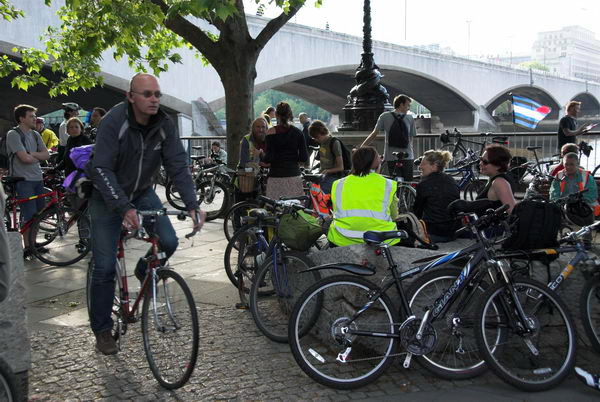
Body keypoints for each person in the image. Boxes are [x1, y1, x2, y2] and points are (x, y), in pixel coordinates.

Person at [86, 73, 205, 355]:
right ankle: (102, 329)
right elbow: (100, 168)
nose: (154, 100)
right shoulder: (114, 122)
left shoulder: (164, 124)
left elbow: (177, 164)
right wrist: (123, 207)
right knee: (103, 267)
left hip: (141, 191)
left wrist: (192, 204)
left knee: (169, 241)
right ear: (131, 97)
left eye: (157, 94)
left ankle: (143, 271)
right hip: (106, 195)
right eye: (147, 94)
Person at [328, 146, 399, 246]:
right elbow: (394, 215)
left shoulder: (338, 184)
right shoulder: (387, 184)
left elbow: (337, 210)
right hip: (379, 237)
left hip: (342, 237)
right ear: (376, 163)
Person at [6, 105, 50, 255]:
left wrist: (32, 154)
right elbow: (24, 158)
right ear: (21, 118)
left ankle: (33, 243)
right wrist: (35, 155)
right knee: (30, 215)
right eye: (31, 116)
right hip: (23, 180)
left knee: (39, 215)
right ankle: (28, 248)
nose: (34, 119)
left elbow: (47, 155)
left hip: (37, 178)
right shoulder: (14, 134)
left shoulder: (36, 135)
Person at [360, 94, 416, 180]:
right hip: (407, 156)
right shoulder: (410, 118)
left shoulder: (384, 116)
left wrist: (362, 147)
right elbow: (411, 139)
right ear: (401, 104)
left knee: (392, 181)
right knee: (408, 182)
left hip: (390, 156)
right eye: (408, 105)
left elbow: (374, 134)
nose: (409, 108)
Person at [263, 102, 308, 200]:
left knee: (275, 211)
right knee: (295, 211)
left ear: (276, 115)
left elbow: (268, 159)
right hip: (293, 175)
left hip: (276, 176)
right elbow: (304, 157)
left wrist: (261, 154)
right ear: (290, 115)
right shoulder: (298, 133)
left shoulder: (270, 132)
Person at [413, 150, 460, 243]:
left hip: (434, 230)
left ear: (434, 166)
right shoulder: (451, 180)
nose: (420, 167)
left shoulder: (424, 184)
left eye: (423, 164)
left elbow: (417, 211)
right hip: (453, 230)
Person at [476, 144, 517, 213]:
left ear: (498, 166)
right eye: (481, 159)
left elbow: (512, 211)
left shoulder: (499, 182)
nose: (480, 163)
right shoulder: (494, 179)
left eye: (485, 162)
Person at [308, 120, 344, 194]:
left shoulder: (334, 143)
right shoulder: (322, 143)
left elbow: (341, 167)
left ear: (321, 133)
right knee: (312, 192)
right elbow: (324, 161)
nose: (316, 140)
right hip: (322, 175)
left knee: (320, 195)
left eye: (316, 137)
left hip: (332, 177)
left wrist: (327, 171)